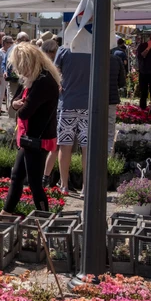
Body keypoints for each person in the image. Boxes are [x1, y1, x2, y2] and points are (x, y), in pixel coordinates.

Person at [3, 43, 61, 214]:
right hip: (29, 138)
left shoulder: (43, 81)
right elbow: (16, 100)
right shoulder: (34, 78)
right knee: (16, 177)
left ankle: (45, 217)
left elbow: (24, 113)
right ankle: (6, 213)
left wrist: (18, 106)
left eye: (21, 66)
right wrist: (15, 104)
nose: (20, 71)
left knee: (35, 184)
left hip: (38, 139)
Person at [48, 44, 91, 195]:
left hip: (67, 103)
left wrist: (60, 85)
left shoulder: (64, 49)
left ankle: (64, 185)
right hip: (89, 104)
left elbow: (54, 72)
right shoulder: (93, 47)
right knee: (87, 147)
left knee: (65, 145)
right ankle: (86, 186)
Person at [0, 35, 14, 115]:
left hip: (9, 76)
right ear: (4, 43)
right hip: (1, 76)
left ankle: (9, 109)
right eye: (9, 42)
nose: (11, 44)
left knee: (9, 93)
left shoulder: (11, 52)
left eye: (12, 42)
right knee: (1, 93)